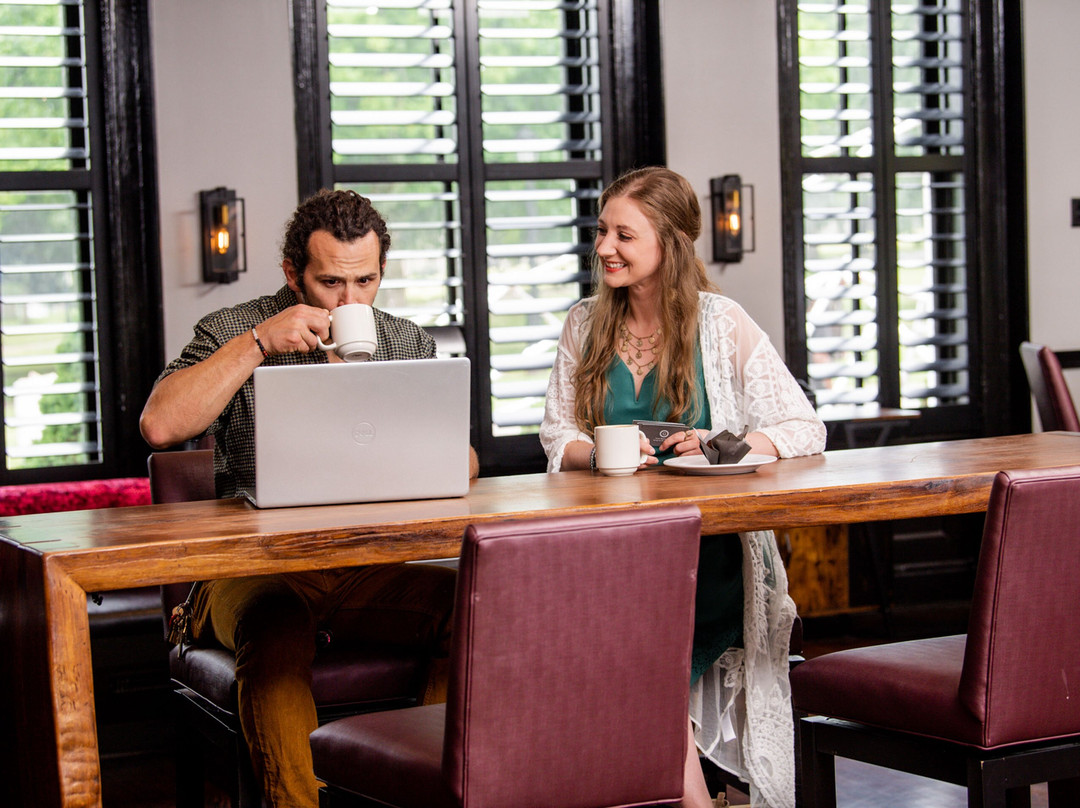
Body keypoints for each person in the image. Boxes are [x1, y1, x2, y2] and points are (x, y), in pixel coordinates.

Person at [140, 188, 478, 808]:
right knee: (274, 620)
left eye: (365, 281)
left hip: (363, 567)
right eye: (330, 283)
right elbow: (160, 425)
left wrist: (434, 441)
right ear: (293, 274)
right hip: (249, 571)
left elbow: (464, 460)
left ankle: (419, 792)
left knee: (474, 608)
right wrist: (258, 345)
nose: (350, 302)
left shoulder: (404, 342)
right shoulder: (234, 329)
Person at [539, 167, 825, 808]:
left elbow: (803, 428)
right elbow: (557, 437)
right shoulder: (583, 323)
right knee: (623, 637)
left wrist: (721, 444)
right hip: (607, 552)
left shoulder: (721, 323)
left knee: (639, 650)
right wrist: (605, 453)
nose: (604, 247)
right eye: (602, 231)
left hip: (705, 556)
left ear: (668, 242)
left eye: (624, 235)